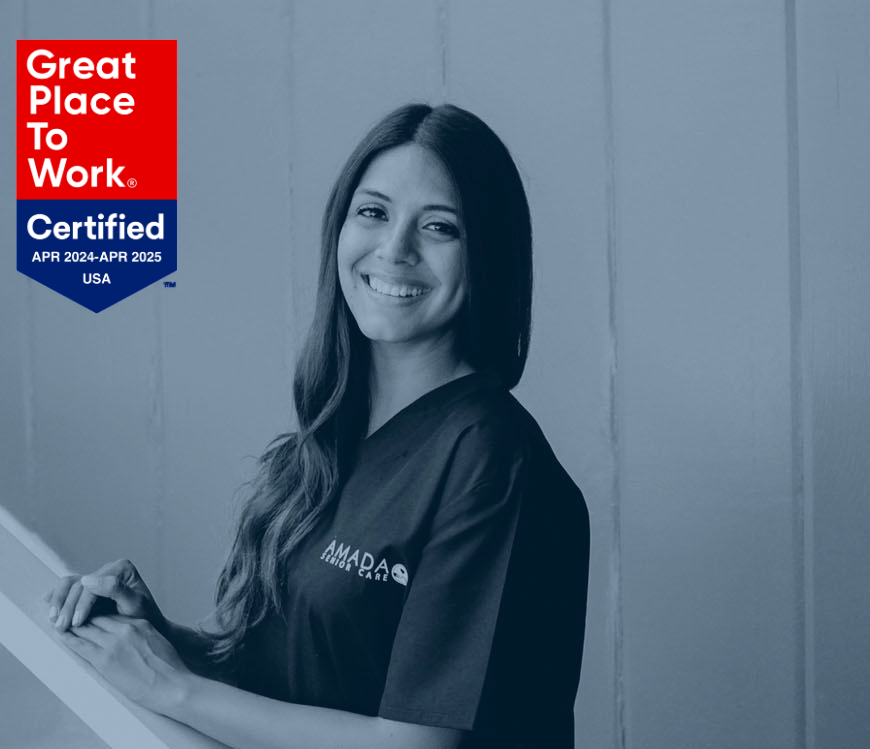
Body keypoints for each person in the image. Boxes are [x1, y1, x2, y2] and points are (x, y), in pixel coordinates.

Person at [43, 103, 591, 749]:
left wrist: (171, 687)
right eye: (373, 212)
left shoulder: (490, 458)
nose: (395, 249)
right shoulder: (328, 440)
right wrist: (157, 638)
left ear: (488, 256)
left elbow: (413, 745)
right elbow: (289, 680)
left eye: (440, 227)